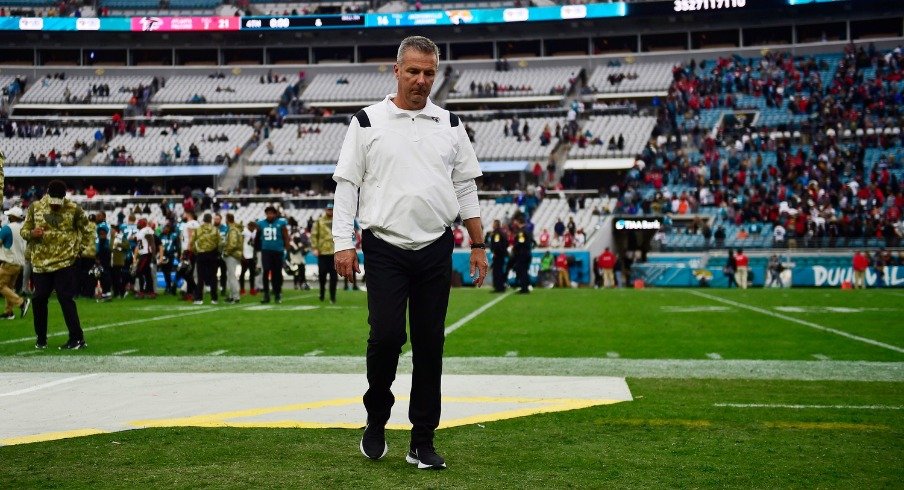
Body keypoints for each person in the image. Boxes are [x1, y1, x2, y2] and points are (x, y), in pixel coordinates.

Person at [332, 36, 487, 470]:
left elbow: (465, 187)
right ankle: (376, 418)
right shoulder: (365, 122)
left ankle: (422, 440)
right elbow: (348, 185)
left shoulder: (451, 123)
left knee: (430, 345)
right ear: (396, 70)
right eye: (414, 71)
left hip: (436, 245)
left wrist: (477, 244)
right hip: (384, 246)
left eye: (429, 73)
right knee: (385, 338)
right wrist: (342, 242)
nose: (421, 80)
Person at [21, 180, 88, 350]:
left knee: (65, 299)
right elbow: (24, 231)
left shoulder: (74, 209)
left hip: (65, 262)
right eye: (53, 201)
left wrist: (78, 250)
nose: (56, 205)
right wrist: (31, 233)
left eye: (59, 201)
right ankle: (41, 339)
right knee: (38, 299)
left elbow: (86, 230)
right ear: (47, 194)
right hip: (41, 264)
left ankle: (77, 339)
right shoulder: (35, 207)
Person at [0, 206, 30, 320]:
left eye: (9, 216)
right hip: (19, 263)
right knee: (9, 287)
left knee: (1, 285)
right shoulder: (22, 228)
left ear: (12, 217)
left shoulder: (7, 228)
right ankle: (9, 312)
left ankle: (21, 302)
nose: (7, 217)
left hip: (9, 262)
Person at [256, 206, 289, 304]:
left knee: (277, 273)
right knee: (266, 272)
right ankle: (266, 294)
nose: (270, 215)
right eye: (268, 213)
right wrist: (256, 251)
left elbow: (285, 237)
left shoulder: (281, 223)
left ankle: (277, 293)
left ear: (275, 214)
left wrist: (287, 250)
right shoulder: (261, 223)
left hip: (278, 251)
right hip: (266, 251)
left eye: (271, 213)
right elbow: (257, 239)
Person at [192, 213, 222, 305]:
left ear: (204, 220)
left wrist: (196, 251)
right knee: (213, 277)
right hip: (212, 254)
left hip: (201, 254)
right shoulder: (215, 229)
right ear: (210, 220)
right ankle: (214, 299)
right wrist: (218, 252)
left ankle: (199, 299)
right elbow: (220, 243)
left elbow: (192, 242)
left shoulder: (198, 229)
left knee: (200, 277)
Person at [310, 203, 338, 304]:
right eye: (328, 209)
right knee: (322, 275)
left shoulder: (338, 221)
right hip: (322, 253)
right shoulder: (319, 221)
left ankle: (333, 297)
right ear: (325, 210)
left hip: (334, 253)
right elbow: (314, 235)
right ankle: (322, 293)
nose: (330, 211)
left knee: (334, 277)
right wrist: (314, 248)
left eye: (331, 209)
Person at [133, 218, 157, 299]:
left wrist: (153, 255)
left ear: (142, 223)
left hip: (146, 254)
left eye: (139, 222)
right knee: (147, 274)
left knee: (139, 271)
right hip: (142, 254)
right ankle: (151, 292)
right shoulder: (140, 232)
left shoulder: (146, 230)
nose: (137, 224)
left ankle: (142, 292)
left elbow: (152, 242)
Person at [222, 213, 243, 303]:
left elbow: (233, 243)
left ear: (227, 220)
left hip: (232, 255)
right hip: (234, 254)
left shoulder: (232, 230)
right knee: (230, 275)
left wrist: (226, 252)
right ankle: (232, 295)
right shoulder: (234, 229)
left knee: (232, 276)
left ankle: (235, 296)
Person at [511, 217, 533, 294]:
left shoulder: (521, 232)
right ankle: (525, 287)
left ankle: (524, 288)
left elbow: (520, 243)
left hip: (522, 254)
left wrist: (514, 248)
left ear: (518, 221)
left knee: (522, 271)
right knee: (524, 271)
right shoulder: (527, 230)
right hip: (526, 253)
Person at [157, 223, 179, 295]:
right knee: (164, 272)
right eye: (164, 228)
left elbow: (177, 246)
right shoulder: (161, 236)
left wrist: (176, 252)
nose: (165, 229)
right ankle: (168, 286)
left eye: (167, 228)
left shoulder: (173, 236)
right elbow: (158, 245)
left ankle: (169, 287)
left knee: (168, 272)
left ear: (170, 229)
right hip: (163, 255)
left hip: (170, 255)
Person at [488, 219, 508, 292]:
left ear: (496, 224)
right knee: (500, 270)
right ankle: (501, 286)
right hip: (501, 254)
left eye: (493, 224)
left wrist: (495, 252)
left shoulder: (497, 233)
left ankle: (498, 287)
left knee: (497, 271)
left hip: (498, 255)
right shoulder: (502, 232)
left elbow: (497, 244)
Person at [240, 221, 258, 295]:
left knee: (252, 274)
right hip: (245, 255)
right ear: (249, 226)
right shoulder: (244, 232)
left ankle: (252, 289)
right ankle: (242, 289)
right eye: (252, 227)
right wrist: (241, 254)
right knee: (243, 273)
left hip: (252, 256)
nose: (253, 229)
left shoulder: (254, 233)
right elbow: (240, 243)